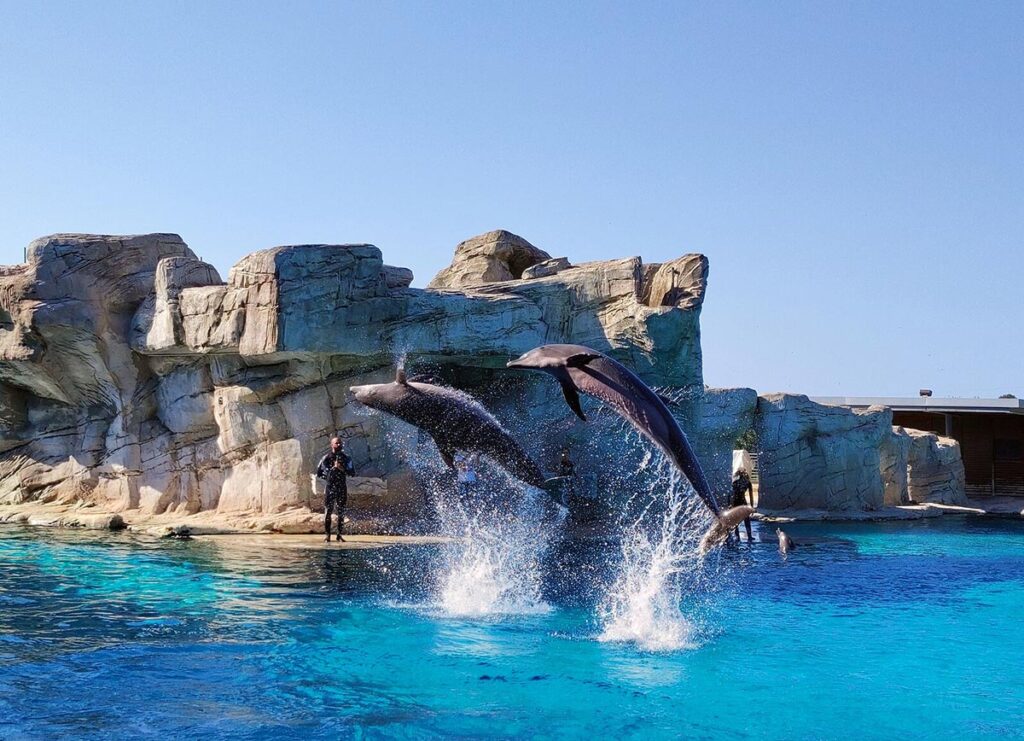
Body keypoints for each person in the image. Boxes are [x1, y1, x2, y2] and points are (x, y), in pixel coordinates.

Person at [316, 437, 354, 542]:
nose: (339, 445)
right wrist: (330, 473)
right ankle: (327, 535)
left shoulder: (346, 458)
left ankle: (339, 535)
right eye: (336, 443)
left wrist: (341, 468)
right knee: (328, 511)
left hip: (341, 487)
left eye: (340, 443)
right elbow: (319, 473)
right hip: (330, 487)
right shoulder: (326, 458)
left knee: (341, 511)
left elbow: (352, 473)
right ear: (332, 445)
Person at [731, 467, 754, 541]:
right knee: (746, 519)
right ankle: (749, 536)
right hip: (743, 502)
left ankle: (737, 537)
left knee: (735, 521)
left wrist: (730, 505)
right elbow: (751, 496)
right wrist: (752, 506)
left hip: (735, 502)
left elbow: (732, 494)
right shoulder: (748, 482)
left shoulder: (735, 482)